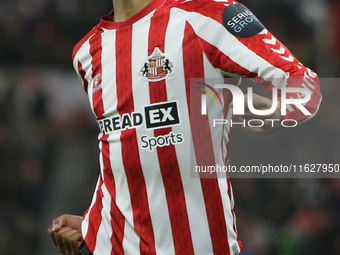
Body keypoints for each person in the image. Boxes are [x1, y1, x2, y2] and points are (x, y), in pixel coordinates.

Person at [47, 0, 322, 254]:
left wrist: (279, 111)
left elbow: (303, 82)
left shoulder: (206, 14)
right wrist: (95, 219)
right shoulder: (88, 51)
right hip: (109, 244)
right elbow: (123, 143)